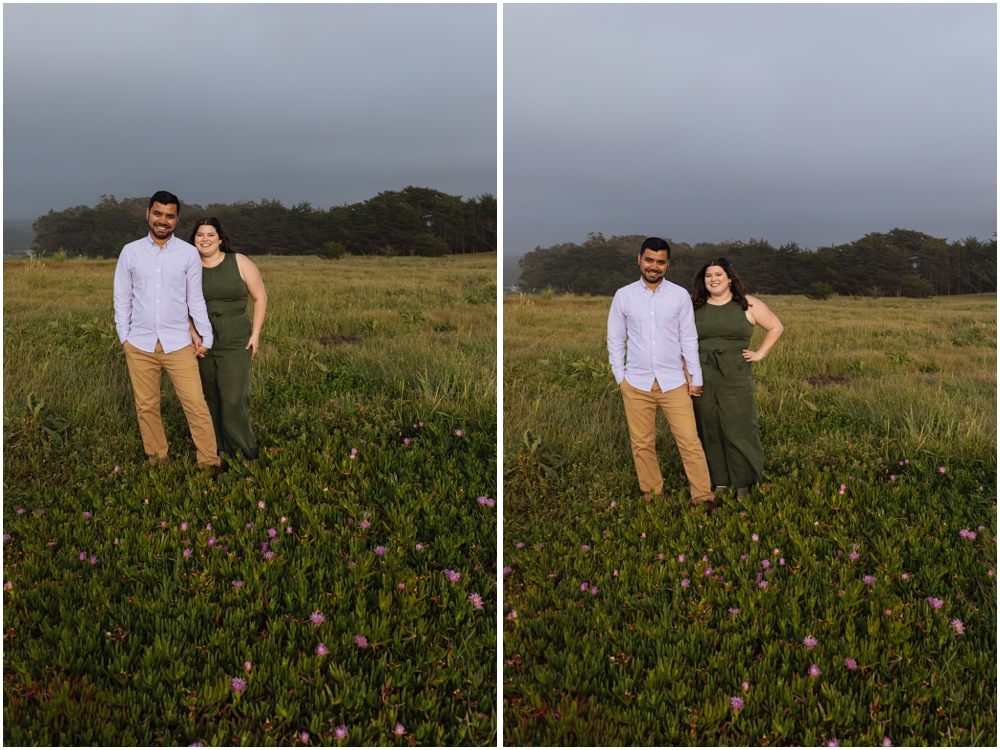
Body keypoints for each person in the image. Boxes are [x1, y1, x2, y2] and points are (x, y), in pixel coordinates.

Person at [113, 191, 223, 474]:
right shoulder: (131, 251)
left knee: (196, 404)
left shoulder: (188, 254)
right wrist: (124, 336)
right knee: (147, 405)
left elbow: (194, 298)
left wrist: (205, 336)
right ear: (148, 214)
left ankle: (209, 461)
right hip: (139, 343)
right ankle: (158, 460)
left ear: (177, 220)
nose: (163, 221)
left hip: (178, 343)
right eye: (158, 214)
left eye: (170, 216)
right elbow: (122, 297)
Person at [607, 237, 716, 506]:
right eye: (649, 260)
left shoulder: (679, 295)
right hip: (636, 383)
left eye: (660, 262)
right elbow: (615, 339)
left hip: (674, 382)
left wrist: (695, 377)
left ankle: (702, 496)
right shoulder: (624, 295)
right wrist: (621, 378)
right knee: (642, 443)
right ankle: (652, 495)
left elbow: (688, 339)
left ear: (667, 264)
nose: (654, 266)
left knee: (690, 441)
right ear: (639, 259)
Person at [690, 257, 783, 501]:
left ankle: (744, 482)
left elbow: (776, 327)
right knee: (708, 426)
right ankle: (719, 481)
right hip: (702, 373)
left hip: (736, 374)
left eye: (718, 274)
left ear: (729, 278)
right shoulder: (694, 306)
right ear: (703, 280)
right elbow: (682, 341)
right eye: (708, 276)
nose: (713, 279)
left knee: (740, 426)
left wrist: (760, 354)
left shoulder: (748, 304)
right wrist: (688, 374)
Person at [186, 217, 267, 461]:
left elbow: (260, 298)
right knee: (209, 396)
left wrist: (256, 334)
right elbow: (180, 304)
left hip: (235, 338)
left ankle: (244, 450)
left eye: (210, 234)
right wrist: (192, 334)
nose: (205, 239)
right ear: (194, 240)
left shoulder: (239, 262)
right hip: (202, 341)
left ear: (220, 239)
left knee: (234, 397)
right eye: (200, 235)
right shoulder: (188, 266)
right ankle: (215, 448)